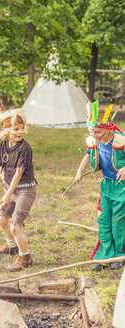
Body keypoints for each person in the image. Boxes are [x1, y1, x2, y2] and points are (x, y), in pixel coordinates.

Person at [75, 101, 125, 271]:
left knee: (118, 220)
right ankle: (105, 253)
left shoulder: (120, 140)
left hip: (122, 187)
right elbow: (88, 155)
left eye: (97, 131)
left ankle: (119, 253)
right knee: (103, 219)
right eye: (91, 131)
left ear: (108, 128)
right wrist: (79, 171)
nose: (94, 135)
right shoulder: (94, 141)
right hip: (106, 185)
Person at [0, 107, 37, 271]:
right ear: (6, 130)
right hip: (11, 189)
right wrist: (4, 183)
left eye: (22, 128)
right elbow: (1, 167)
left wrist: (7, 195)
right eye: (16, 129)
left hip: (25, 190)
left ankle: (25, 257)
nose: (21, 132)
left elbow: (19, 173)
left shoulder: (24, 148)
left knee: (15, 226)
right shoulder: (2, 145)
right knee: (1, 220)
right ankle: (11, 246)